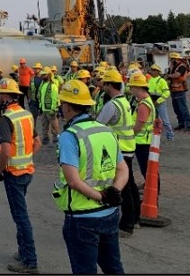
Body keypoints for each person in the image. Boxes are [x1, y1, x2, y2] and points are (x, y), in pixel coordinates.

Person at [54, 79, 128, 275]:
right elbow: (123, 169)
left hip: (82, 217)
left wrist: (101, 196)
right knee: (114, 268)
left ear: (68, 106)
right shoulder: (106, 131)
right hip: (109, 214)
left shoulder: (70, 136)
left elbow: (73, 181)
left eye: (62, 104)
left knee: (84, 270)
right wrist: (114, 192)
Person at [0, 79, 41, 275]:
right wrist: (26, 158)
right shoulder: (26, 114)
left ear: (6, 96)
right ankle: (23, 252)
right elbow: (36, 142)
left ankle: (30, 260)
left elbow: (5, 151)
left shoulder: (6, 119)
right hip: (27, 171)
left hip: (13, 173)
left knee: (20, 217)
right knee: (20, 215)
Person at [95, 69, 140, 237]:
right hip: (129, 146)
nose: (102, 86)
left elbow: (98, 126)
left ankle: (127, 224)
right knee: (131, 184)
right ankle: (136, 217)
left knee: (124, 188)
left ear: (108, 85)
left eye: (104, 83)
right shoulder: (125, 101)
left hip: (119, 149)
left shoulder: (112, 105)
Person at [167, 52, 190, 131]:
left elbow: (177, 75)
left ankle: (188, 124)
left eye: (172, 59)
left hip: (180, 90)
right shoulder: (173, 66)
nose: (171, 61)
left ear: (176, 59)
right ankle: (181, 123)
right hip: (174, 89)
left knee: (183, 108)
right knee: (176, 108)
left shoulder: (182, 67)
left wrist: (169, 76)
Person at [147, 64, 174, 141]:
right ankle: (156, 136)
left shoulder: (161, 81)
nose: (151, 71)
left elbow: (166, 93)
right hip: (152, 102)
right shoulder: (150, 80)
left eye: (153, 70)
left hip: (160, 102)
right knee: (154, 121)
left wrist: (159, 101)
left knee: (165, 120)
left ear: (157, 72)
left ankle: (170, 136)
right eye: (151, 70)